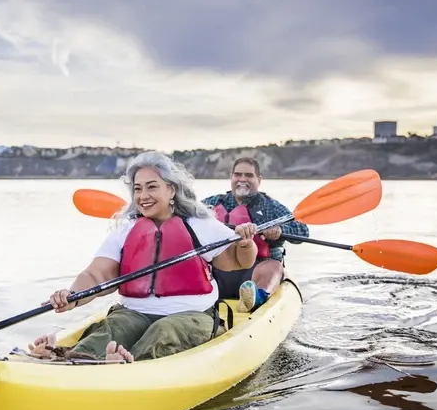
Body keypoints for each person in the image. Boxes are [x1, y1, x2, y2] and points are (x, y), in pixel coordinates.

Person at [28, 151, 259, 364]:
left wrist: (246, 243)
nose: (143, 196)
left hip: (190, 315)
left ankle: (124, 365)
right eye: (137, 189)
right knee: (112, 329)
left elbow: (238, 261)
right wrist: (73, 296)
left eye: (151, 187)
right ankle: (65, 358)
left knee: (164, 331)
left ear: (171, 190)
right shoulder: (126, 230)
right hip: (134, 313)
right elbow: (97, 273)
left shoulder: (200, 224)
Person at [201, 157, 309, 313]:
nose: (242, 179)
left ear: (259, 180)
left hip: (256, 271)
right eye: (238, 175)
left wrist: (280, 231)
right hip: (219, 271)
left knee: (274, 266)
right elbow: (186, 216)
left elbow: (302, 230)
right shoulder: (213, 203)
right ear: (231, 177)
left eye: (249, 175)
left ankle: (258, 295)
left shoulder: (271, 207)